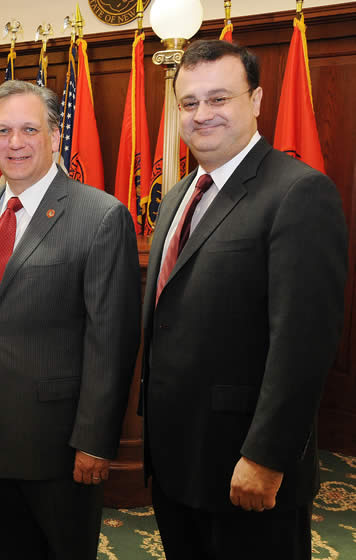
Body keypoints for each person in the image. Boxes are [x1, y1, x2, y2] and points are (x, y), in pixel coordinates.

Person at [142, 40, 348, 560]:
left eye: (219, 99)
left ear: (256, 100)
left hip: (246, 466)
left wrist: (267, 457)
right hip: (175, 459)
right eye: (189, 103)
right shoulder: (176, 196)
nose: (201, 114)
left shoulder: (299, 193)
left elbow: (302, 345)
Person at [0, 80, 141, 560]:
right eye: (2, 131)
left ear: (57, 135)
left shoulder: (101, 215)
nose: (14, 143)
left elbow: (112, 340)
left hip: (60, 445)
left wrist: (95, 443)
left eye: (28, 129)